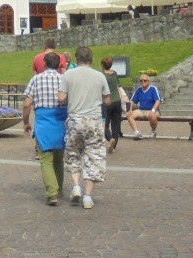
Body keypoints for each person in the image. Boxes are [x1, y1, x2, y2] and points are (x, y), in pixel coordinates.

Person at [60, 46, 113, 209]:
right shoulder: (99, 76)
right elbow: (108, 100)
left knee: (73, 153)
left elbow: (61, 97)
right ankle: (88, 197)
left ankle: (76, 186)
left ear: (76, 59)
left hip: (75, 119)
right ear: (92, 59)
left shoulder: (68, 75)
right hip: (94, 120)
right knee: (94, 156)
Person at [22, 51, 67, 206]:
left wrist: (26, 122)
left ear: (45, 64)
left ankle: (52, 193)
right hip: (61, 120)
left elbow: (27, 104)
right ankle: (59, 188)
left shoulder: (36, 79)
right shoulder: (64, 79)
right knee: (59, 158)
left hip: (43, 121)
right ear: (60, 65)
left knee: (46, 159)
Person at [98, 57, 125, 153]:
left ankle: (110, 139)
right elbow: (118, 86)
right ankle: (113, 146)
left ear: (102, 65)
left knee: (104, 124)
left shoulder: (101, 75)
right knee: (116, 124)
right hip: (117, 101)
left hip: (106, 102)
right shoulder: (114, 73)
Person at [127, 73, 164, 138]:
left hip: (153, 110)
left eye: (145, 80)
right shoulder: (138, 90)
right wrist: (129, 109)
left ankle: (153, 131)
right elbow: (132, 101)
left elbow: (158, 101)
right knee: (129, 115)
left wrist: (153, 110)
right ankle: (137, 133)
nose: (143, 82)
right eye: (141, 80)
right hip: (142, 110)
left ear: (148, 81)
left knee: (152, 115)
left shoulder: (153, 89)